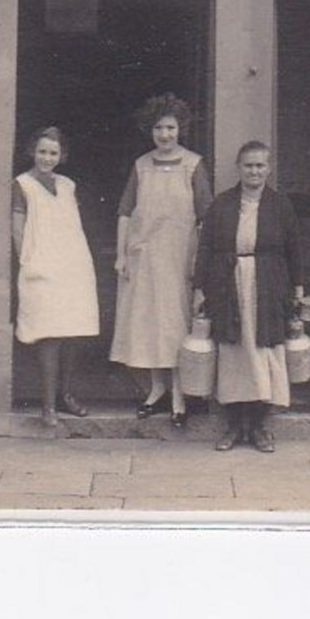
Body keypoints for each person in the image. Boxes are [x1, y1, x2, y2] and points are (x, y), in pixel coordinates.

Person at [193, 140, 306, 453]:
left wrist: (297, 287)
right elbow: (205, 247)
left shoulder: (280, 204)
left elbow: (294, 248)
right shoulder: (223, 203)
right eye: (248, 165)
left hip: (268, 284)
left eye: (260, 165)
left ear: (268, 168)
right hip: (228, 282)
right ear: (238, 168)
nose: (254, 171)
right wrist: (200, 287)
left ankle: (257, 427)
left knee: (263, 352)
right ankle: (233, 426)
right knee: (233, 353)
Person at [110, 93, 213, 429]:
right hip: (145, 258)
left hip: (179, 258)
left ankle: (180, 395)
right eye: (158, 128)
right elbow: (125, 212)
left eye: (170, 128)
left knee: (175, 324)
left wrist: (200, 262)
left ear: (180, 129)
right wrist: (122, 254)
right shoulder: (141, 165)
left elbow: (205, 218)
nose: (164, 135)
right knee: (150, 323)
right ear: (150, 130)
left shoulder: (193, 165)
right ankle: (157, 390)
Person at [11, 127, 100, 428]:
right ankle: (47, 405)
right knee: (48, 334)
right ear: (32, 152)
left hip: (72, 266)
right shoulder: (22, 184)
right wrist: (28, 260)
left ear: (61, 156)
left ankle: (67, 395)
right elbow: (18, 227)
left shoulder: (68, 185)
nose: (47, 158)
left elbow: (71, 226)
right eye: (42, 151)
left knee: (71, 331)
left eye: (53, 153)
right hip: (41, 266)